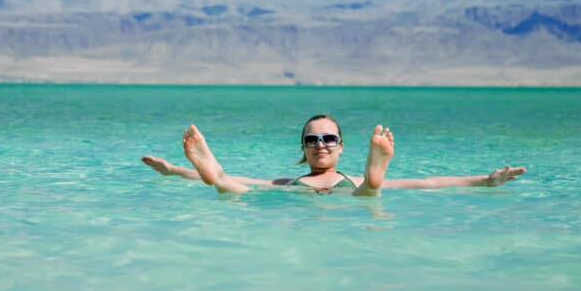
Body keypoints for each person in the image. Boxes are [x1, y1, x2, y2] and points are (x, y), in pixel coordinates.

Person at [142, 114, 526, 196]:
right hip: (298, 195)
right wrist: (175, 170)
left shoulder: (354, 179)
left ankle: (376, 174)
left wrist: (485, 180)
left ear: (341, 146)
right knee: (236, 187)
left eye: (329, 139)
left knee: (371, 191)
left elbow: (429, 182)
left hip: (355, 189)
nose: (320, 144)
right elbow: (252, 179)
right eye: (312, 140)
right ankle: (216, 173)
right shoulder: (289, 181)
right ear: (303, 149)